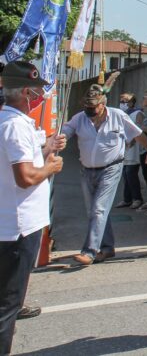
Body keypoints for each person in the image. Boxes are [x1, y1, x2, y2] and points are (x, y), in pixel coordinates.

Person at [0, 62, 65, 355]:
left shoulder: (12, 122)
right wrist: (49, 166)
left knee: (9, 298)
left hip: (16, 222)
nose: (40, 96)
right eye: (37, 91)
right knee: (8, 303)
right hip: (18, 227)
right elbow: (25, 178)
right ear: (26, 92)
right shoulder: (14, 125)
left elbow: (25, 164)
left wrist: (47, 149)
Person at [62, 83, 147, 265]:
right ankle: (107, 248)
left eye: (92, 106)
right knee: (94, 211)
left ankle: (89, 251)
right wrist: (59, 139)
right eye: (86, 106)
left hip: (111, 168)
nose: (88, 109)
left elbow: (137, 133)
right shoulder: (80, 118)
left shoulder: (118, 116)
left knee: (98, 209)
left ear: (102, 104)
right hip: (87, 170)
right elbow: (66, 131)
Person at [114, 92, 144, 209]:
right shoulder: (121, 114)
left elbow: (139, 131)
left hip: (133, 149)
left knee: (131, 174)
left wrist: (132, 141)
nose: (122, 103)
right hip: (123, 149)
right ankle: (127, 199)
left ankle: (137, 199)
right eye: (121, 101)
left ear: (132, 102)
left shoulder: (138, 113)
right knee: (125, 176)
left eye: (125, 101)